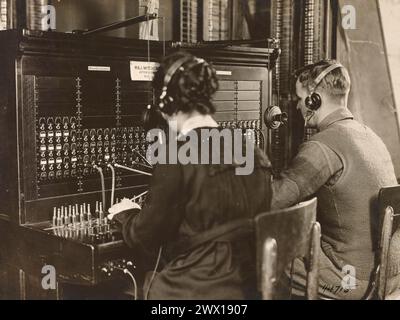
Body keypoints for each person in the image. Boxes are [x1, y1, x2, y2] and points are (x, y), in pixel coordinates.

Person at [107, 51, 273, 299]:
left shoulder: (176, 155)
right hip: (251, 286)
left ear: (164, 102)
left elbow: (146, 236)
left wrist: (127, 214)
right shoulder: (253, 151)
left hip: (197, 289)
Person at [271, 60, 398, 299]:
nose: (298, 106)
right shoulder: (369, 135)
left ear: (314, 100)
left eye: (300, 99)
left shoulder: (322, 145)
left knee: (266, 249)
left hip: (352, 281)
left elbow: (275, 200)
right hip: (387, 275)